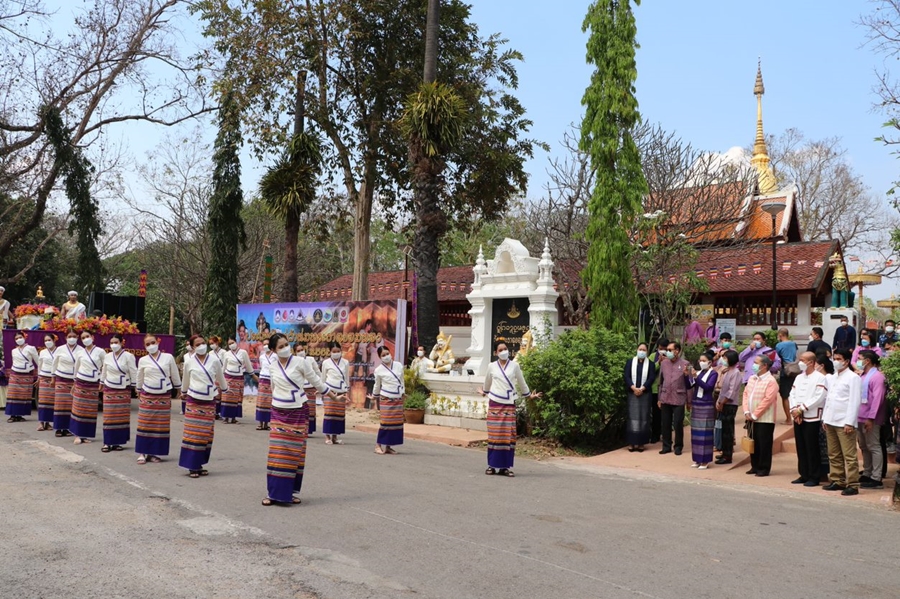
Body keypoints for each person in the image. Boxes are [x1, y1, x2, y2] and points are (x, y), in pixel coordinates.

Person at [263, 333, 336, 506]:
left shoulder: (301, 362)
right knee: (276, 453)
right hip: (278, 412)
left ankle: (289, 492)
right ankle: (273, 493)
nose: (285, 348)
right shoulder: (272, 365)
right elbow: (274, 387)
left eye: (286, 344)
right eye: (280, 347)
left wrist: (334, 397)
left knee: (294, 453)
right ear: (273, 350)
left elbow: (317, 382)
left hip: (297, 411)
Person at [478, 341, 541, 477]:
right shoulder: (491, 366)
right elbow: (487, 383)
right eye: (500, 350)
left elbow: (522, 382)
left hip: (509, 404)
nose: (504, 351)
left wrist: (530, 395)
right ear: (496, 353)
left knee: (508, 436)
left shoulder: (515, 366)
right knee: (494, 436)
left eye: (505, 349)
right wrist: (484, 391)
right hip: (495, 403)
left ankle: (505, 467)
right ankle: (491, 466)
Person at [179, 334, 228, 478]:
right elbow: (186, 380)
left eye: (202, 343)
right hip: (194, 399)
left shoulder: (214, 361)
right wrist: (183, 392)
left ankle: (199, 464)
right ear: (193, 347)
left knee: (205, 434)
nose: (201, 346)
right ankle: (191, 466)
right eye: (197, 344)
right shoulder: (189, 362)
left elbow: (220, 377)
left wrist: (225, 389)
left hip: (209, 400)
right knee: (193, 434)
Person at [135, 334, 181, 464]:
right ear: (144, 347)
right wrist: (138, 389)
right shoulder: (143, 360)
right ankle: (142, 452)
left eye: (152, 342)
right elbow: (140, 376)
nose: (151, 345)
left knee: (160, 425)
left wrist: (179, 389)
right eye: (147, 344)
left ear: (158, 342)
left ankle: (155, 452)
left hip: (164, 395)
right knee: (144, 423)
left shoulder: (168, 357)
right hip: (147, 394)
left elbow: (174, 374)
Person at [822, 348, 862, 495]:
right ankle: (837, 480)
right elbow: (828, 399)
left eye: (839, 359)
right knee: (833, 453)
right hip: (831, 419)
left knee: (849, 455)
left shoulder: (853, 378)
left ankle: (853, 484)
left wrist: (850, 422)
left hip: (844, 421)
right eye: (834, 358)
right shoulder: (832, 377)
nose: (835, 361)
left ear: (846, 361)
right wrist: (825, 418)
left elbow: (854, 401)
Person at [787, 351, 827, 487]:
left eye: (803, 360)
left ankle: (814, 476)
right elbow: (792, 394)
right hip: (798, 416)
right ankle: (803, 474)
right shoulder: (799, 377)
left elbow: (818, 397)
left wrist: (802, 409)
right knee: (801, 446)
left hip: (812, 417)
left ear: (811, 362)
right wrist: (794, 410)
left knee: (812, 447)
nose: (800, 363)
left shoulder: (820, 378)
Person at [742, 355, 779, 477]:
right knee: (753, 442)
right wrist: (747, 412)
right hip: (750, 417)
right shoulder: (753, 378)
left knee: (764, 444)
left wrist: (755, 414)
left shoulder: (771, 381)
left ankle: (763, 468)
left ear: (764, 366)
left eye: (756, 363)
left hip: (765, 418)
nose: (754, 365)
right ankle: (755, 465)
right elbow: (746, 394)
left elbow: (768, 400)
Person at [99, 334, 137, 452]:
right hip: (109, 387)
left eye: (116, 342)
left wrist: (136, 386)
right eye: (111, 343)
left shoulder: (128, 356)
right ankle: (107, 442)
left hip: (123, 388)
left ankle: (117, 442)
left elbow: (133, 371)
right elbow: (104, 370)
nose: (113, 345)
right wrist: (101, 382)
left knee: (121, 417)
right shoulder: (108, 356)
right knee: (109, 416)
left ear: (122, 342)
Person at [856, 350, 887, 489]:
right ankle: (867, 472)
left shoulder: (877, 377)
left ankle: (876, 476)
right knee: (863, 446)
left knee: (873, 446)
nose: (857, 361)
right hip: (860, 415)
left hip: (871, 418)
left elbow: (877, 399)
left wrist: (871, 418)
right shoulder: (863, 375)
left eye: (859, 358)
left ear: (867, 361)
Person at [68, 331, 106, 445]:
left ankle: (86, 435)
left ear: (93, 337)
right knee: (78, 409)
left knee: (90, 410)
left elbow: (105, 366)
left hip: (94, 383)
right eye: (83, 337)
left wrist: (103, 381)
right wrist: (74, 383)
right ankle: (77, 434)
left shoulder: (100, 352)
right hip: (80, 382)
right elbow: (76, 367)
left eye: (87, 336)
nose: (86, 339)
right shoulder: (80, 352)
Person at [658, 341, 691, 456]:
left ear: (677, 351)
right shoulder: (664, 363)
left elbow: (689, 384)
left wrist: (689, 401)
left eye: (670, 350)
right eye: (667, 350)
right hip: (665, 397)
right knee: (665, 423)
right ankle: (666, 446)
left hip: (679, 398)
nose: (667, 352)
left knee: (677, 423)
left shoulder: (685, 364)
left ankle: (678, 446)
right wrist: (659, 398)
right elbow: (660, 382)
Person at [623, 343, 656, 452]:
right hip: (632, 393)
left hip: (645, 394)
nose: (642, 351)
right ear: (636, 350)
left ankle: (641, 443)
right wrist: (633, 388)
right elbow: (626, 376)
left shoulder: (651, 364)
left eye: (644, 350)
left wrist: (642, 389)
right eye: (640, 349)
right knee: (632, 418)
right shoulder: (630, 362)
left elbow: (651, 378)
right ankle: (632, 443)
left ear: (647, 352)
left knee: (644, 417)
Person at [373, 346, 405, 455]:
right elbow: (377, 385)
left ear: (390, 353)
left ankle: (388, 446)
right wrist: (374, 396)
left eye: (387, 353)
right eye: (383, 355)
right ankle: (378, 445)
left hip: (397, 397)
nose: (386, 356)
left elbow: (402, 381)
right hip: (386, 398)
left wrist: (403, 393)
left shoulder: (398, 365)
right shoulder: (378, 370)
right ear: (380, 357)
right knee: (385, 423)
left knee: (395, 424)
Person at [689, 350, 718, 469]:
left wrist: (696, 377)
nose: (701, 363)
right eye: (700, 361)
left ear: (710, 362)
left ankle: (705, 460)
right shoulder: (699, 372)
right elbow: (689, 385)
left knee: (705, 432)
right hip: (696, 403)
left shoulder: (713, 374)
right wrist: (688, 376)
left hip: (706, 404)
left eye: (704, 361)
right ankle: (697, 459)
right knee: (696, 433)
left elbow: (708, 387)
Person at [220, 336, 256, 424]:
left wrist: (252, 374)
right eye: (229, 344)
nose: (231, 345)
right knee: (226, 397)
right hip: (228, 377)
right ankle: (225, 417)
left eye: (232, 343)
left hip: (238, 377)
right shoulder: (227, 354)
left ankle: (233, 418)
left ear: (236, 342)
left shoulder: (243, 352)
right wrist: (219, 377)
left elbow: (248, 364)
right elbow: (223, 367)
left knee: (236, 398)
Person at [715, 349, 742, 465]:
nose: (723, 360)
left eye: (725, 358)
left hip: (729, 405)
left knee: (728, 431)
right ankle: (724, 452)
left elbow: (731, 391)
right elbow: (722, 389)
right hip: (723, 403)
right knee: (723, 429)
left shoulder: (735, 373)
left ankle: (728, 456)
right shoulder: (727, 371)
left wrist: (722, 403)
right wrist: (718, 401)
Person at [51, 329, 80, 436]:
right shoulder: (60, 349)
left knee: (71, 405)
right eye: (69, 336)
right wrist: (53, 377)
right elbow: (55, 363)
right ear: (66, 338)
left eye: (74, 336)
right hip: (61, 378)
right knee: (60, 404)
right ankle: (59, 428)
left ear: (77, 337)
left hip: (73, 380)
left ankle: (68, 428)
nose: (72, 338)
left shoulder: (81, 350)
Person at [321, 342, 351, 444]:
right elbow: (323, 377)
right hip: (330, 390)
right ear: (330, 352)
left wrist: (347, 390)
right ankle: (327, 437)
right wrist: (322, 389)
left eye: (338, 351)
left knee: (339, 414)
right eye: (334, 352)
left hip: (341, 390)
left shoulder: (345, 362)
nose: (336, 353)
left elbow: (346, 377)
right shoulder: (326, 363)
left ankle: (335, 437)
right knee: (329, 413)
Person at [6, 331, 39, 422]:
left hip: (27, 374)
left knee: (24, 395)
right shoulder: (14, 350)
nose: (18, 340)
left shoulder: (31, 348)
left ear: (24, 337)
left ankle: (20, 415)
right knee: (13, 394)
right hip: (15, 374)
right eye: (16, 339)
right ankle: (12, 415)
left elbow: (38, 361)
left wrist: (40, 375)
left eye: (20, 337)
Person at [295, 342, 321, 436]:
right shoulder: (294, 361)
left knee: (310, 409)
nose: (301, 352)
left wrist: (322, 384)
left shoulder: (310, 359)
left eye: (302, 350)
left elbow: (317, 372)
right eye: (298, 351)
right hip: (299, 388)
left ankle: (308, 430)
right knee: (299, 409)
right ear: (295, 353)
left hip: (310, 388)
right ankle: (300, 429)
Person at [775, 328, 799, 425]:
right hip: (795, 369)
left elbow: (776, 357)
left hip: (785, 370)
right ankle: (796, 416)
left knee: (785, 395)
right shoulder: (793, 344)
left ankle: (788, 419)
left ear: (781, 335)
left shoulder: (779, 345)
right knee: (794, 393)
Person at [36, 333, 58, 431]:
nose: (47, 342)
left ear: (54, 340)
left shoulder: (59, 351)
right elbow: (39, 365)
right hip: (44, 377)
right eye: (45, 341)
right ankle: (41, 422)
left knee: (51, 401)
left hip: (55, 378)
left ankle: (48, 423)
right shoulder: (42, 352)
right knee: (43, 401)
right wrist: (38, 377)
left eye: (49, 340)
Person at [649, 338, 668, 444]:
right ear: (657, 348)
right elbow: (649, 371)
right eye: (661, 349)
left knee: (665, 414)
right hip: (655, 390)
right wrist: (658, 363)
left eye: (665, 349)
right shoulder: (652, 356)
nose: (663, 351)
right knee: (655, 414)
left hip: (666, 390)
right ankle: (655, 435)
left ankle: (665, 434)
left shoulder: (670, 357)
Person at [256, 341, 275, 431]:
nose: (266, 345)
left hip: (271, 379)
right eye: (264, 344)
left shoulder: (275, 356)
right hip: (263, 379)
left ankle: (266, 423)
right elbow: (261, 367)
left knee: (269, 401)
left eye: (267, 343)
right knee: (261, 401)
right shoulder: (261, 357)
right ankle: (260, 423)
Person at [210, 336, 226, 419]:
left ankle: (220, 412)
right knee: (215, 394)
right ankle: (215, 412)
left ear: (217, 343)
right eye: (210, 344)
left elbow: (225, 363)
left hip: (221, 374)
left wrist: (221, 373)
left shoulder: (223, 352)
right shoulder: (210, 353)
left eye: (213, 343)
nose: (211, 345)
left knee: (221, 394)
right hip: (213, 376)